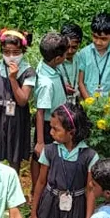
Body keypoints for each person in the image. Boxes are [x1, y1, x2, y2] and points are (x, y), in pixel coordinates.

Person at [30, 103, 97, 218]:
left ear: (71, 131)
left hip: (76, 205)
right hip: (50, 203)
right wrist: (34, 212)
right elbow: (41, 183)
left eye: (55, 128)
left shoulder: (89, 156)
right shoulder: (50, 151)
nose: (51, 132)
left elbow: (90, 189)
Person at [0, 29, 36, 171]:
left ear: (23, 51)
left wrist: (13, 78)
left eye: (16, 52)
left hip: (18, 118)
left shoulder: (28, 72)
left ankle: (13, 184)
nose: (11, 56)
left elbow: (22, 100)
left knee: (15, 155)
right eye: (7, 52)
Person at [32, 32, 70, 191]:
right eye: (65, 53)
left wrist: (62, 89)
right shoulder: (46, 84)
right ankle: (37, 190)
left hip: (54, 120)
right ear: (57, 59)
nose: (68, 54)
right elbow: (40, 112)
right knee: (41, 157)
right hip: (48, 125)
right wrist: (40, 142)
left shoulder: (47, 66)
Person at [77, 13, 110, 100]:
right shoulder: (84, 53)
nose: (98, 42)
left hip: (107, 101)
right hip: (88, 100)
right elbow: (80, 82)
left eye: (103, 39)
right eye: (95, 37)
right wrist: (88, 101)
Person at [59, 23, 83, 101]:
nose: (69, 51)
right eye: (67, 46)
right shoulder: (54, 61)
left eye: (74, 47)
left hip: (76, 103)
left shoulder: (80, 58)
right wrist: (61, 88)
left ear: (79, 44)